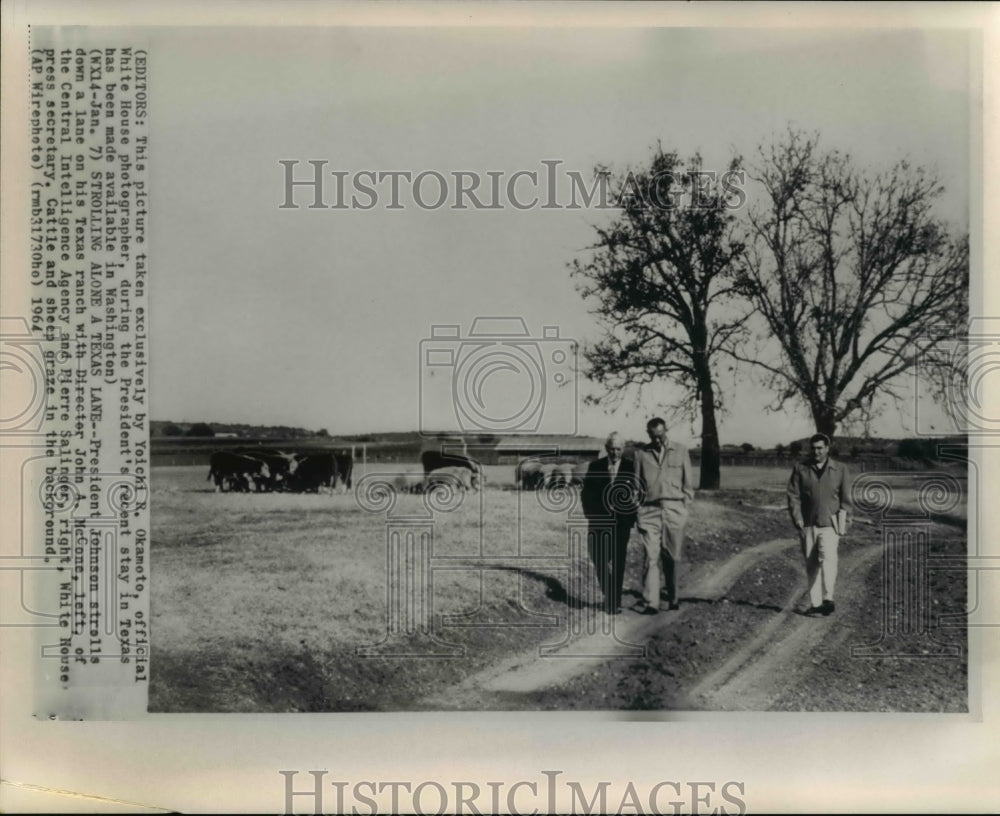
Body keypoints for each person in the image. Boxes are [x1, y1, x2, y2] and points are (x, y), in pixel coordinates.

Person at [632, 418, 695, 614]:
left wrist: (684, 509)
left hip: (675, 510)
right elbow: (636, 486)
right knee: (651, 557)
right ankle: (651, 603)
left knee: (672, 556)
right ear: (648, 434)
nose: (657, 441)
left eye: (660, 436)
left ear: (666, 430)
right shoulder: (641, 454)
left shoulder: (681, 451)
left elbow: (688, 486)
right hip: (649, 511)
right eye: (653, 437)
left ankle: (673, 597)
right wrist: (638, 508)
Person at [787, 433, 851, 616]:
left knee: (829, 559)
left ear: (827, 448)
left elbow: (846, 499)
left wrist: (845, 522)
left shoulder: (840, 469)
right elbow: (793, 496)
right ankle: (815, 605)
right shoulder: (801, 469)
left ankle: (828, 599)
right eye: (813, 448)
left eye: (820, 448)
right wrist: (797, 518)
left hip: (830, 524)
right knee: (811, 564)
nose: (816, 451)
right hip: (807, 524)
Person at [580, 432, 637, 615]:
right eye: (611, 449)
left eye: (618, 449)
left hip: (622, 522)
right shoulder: (595, 466)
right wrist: (591, 514)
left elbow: (637, 494)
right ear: (606, 449)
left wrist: (631, 516)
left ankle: (614, 602)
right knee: (599, 557)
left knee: (618, 560)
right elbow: (586, 493)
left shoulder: (631, 467)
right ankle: (609, 592)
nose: (614, 452)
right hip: (599, 521)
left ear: (623, 449)